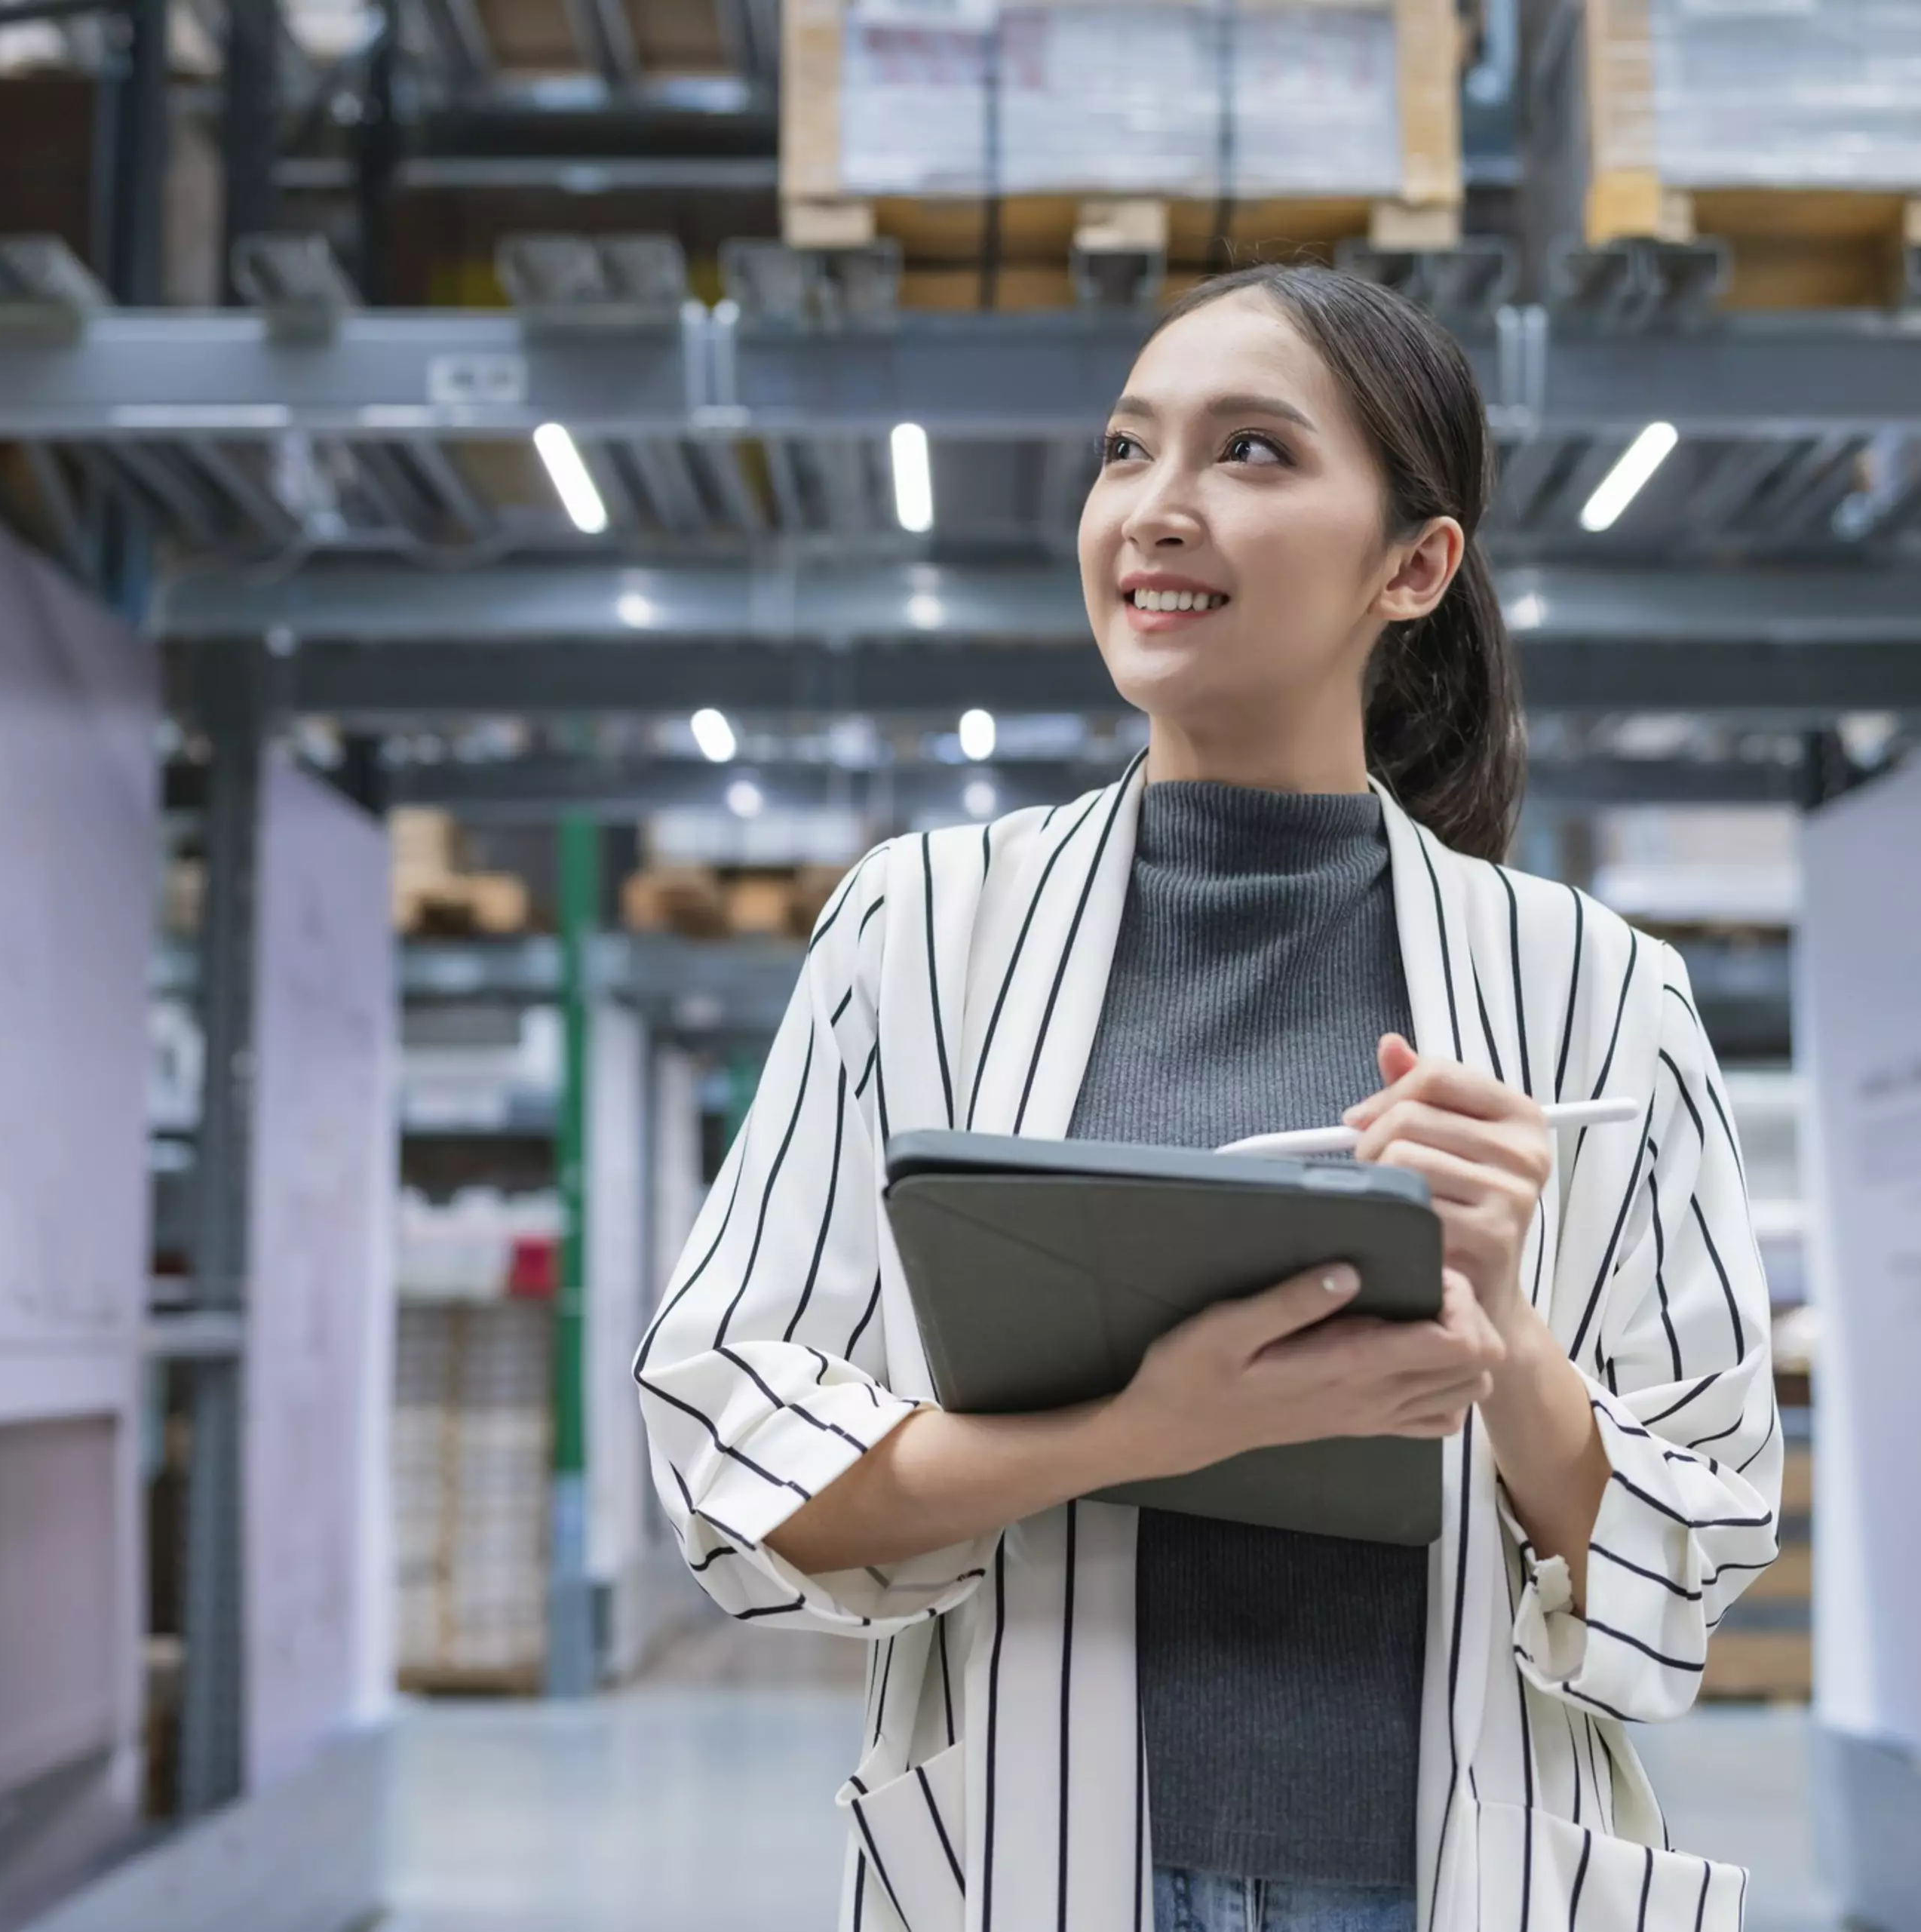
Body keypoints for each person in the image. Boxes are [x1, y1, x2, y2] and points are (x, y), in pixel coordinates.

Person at [634, 263, 1781, 1932]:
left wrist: (1509, 1335)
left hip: (1453, 1874)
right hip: (1040, 1859)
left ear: (1416, 564)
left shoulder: (1600, 995)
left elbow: (1701, 1538)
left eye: (1250, 453)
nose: (1156, 511)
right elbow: (731, 1446)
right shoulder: (921, 931)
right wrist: (1149, 1430)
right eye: (1126, 450)